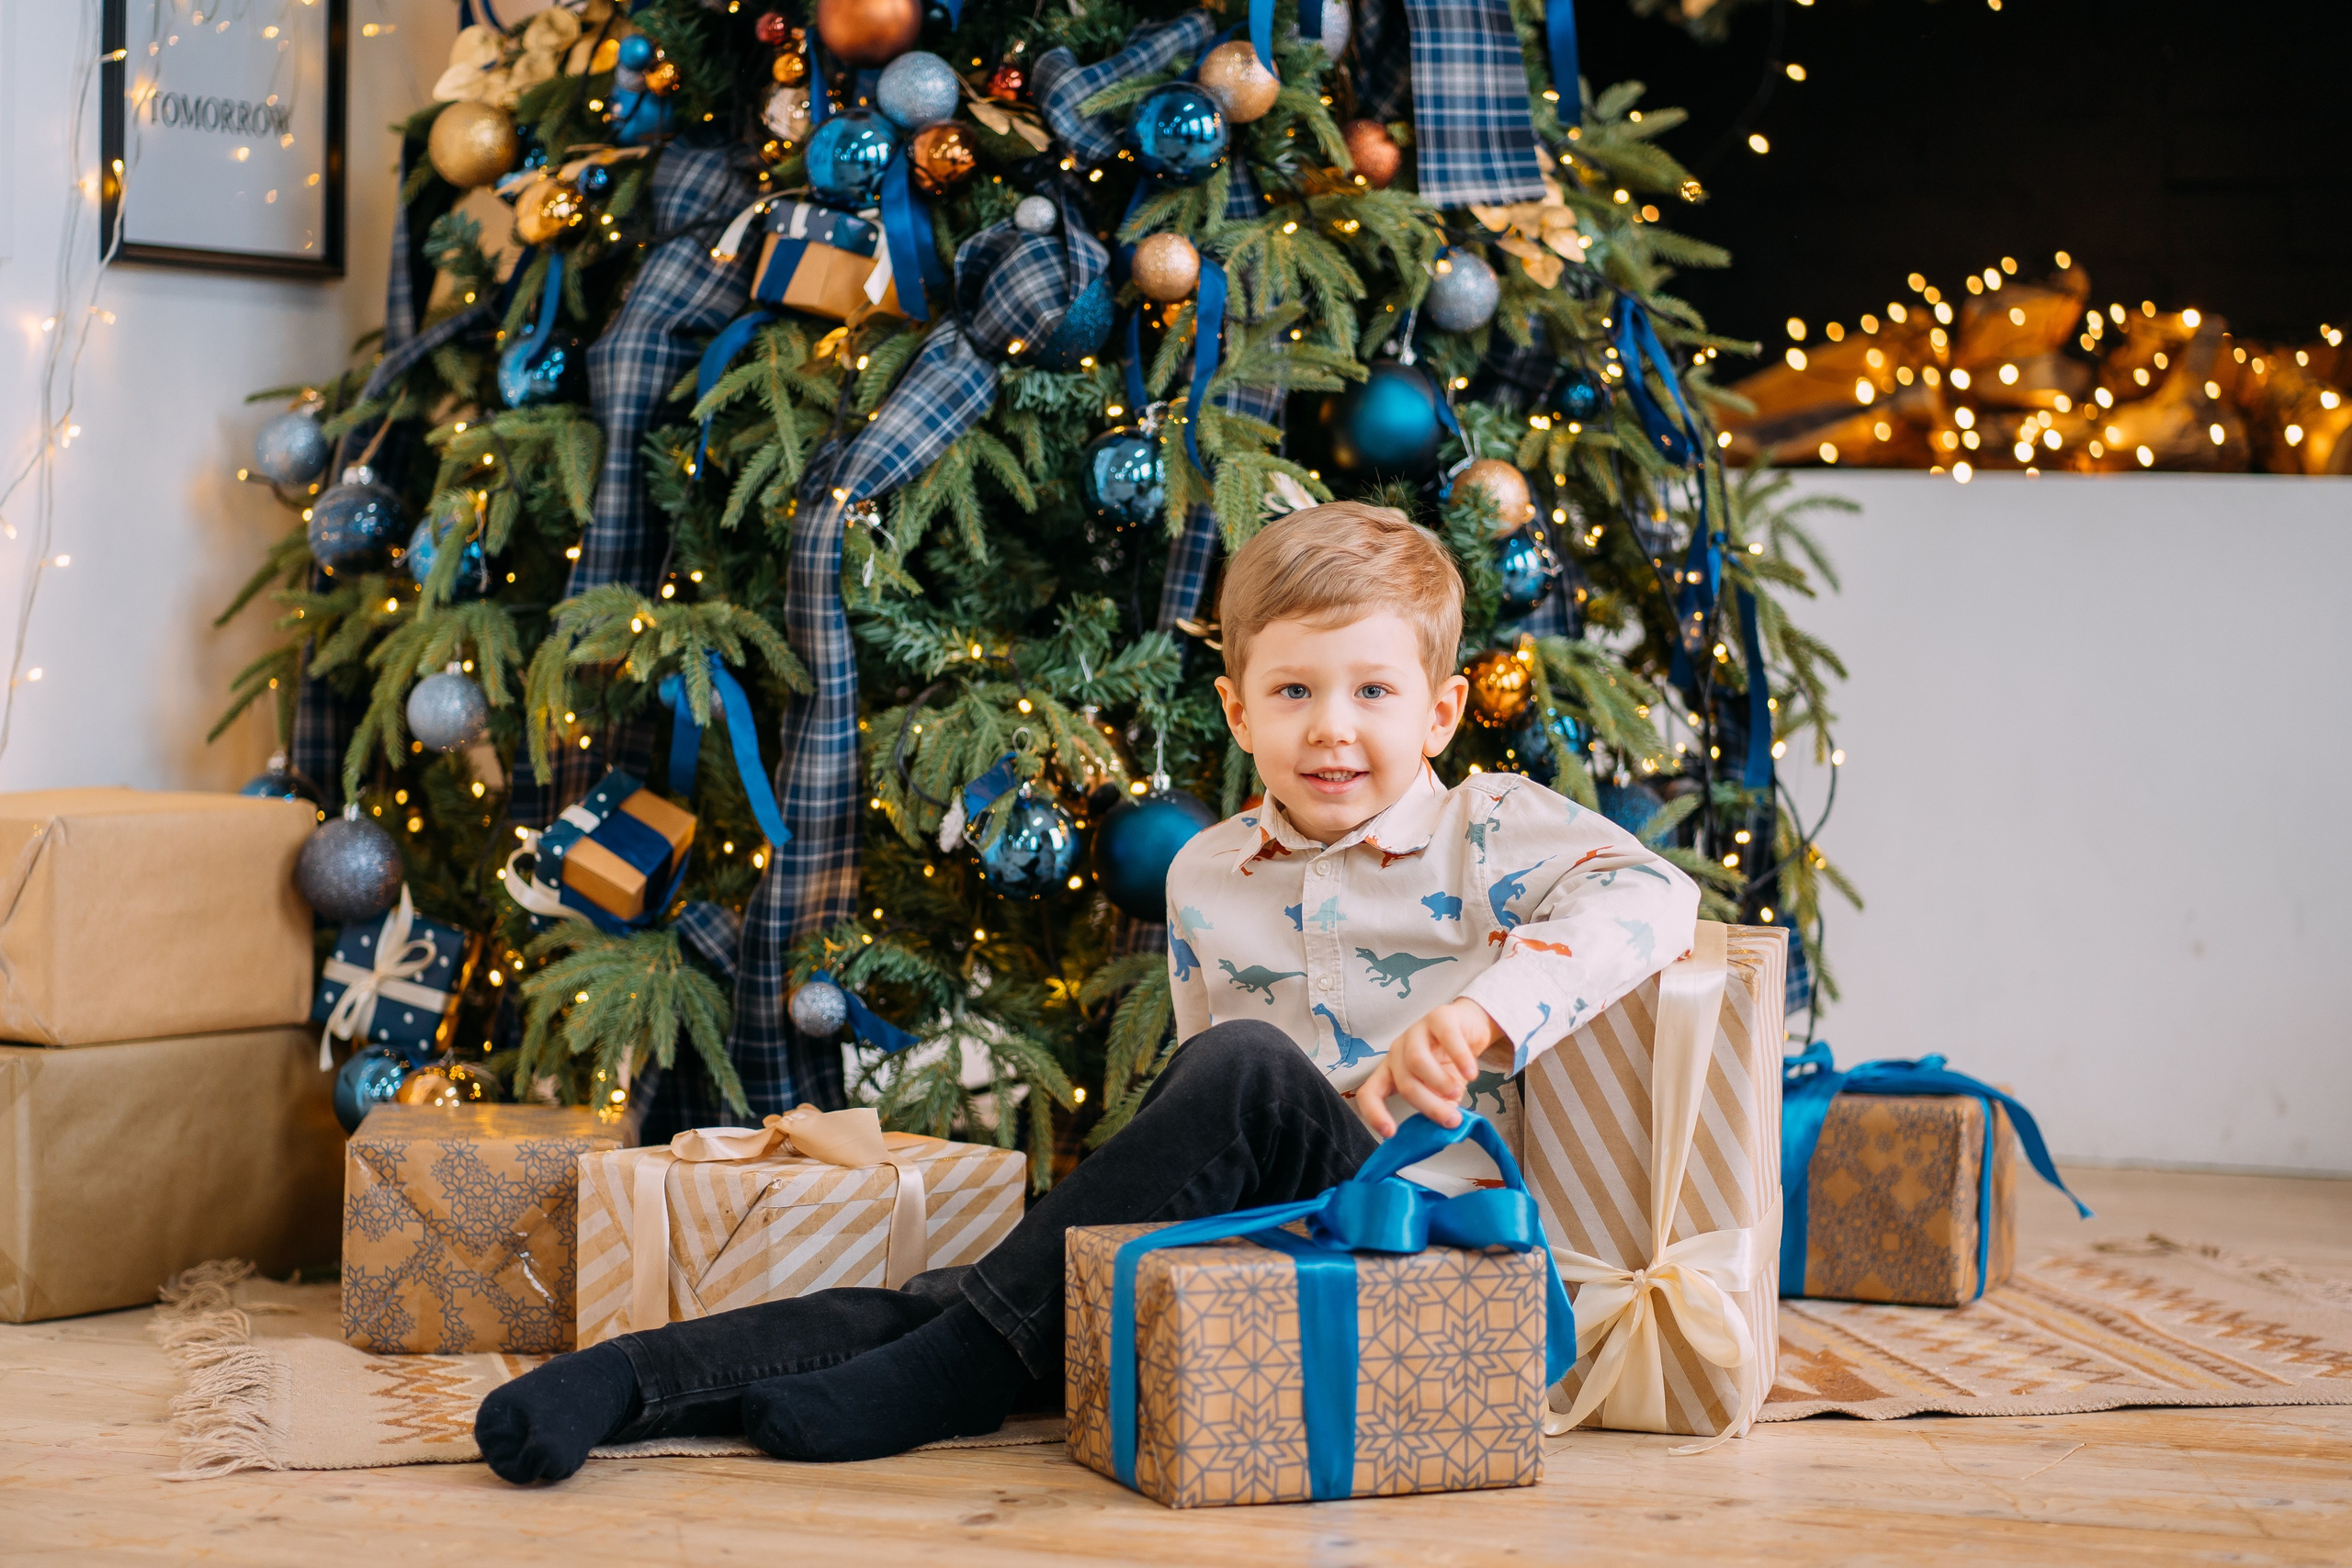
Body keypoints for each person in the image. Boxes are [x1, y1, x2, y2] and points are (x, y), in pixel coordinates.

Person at [475, 502, 1698, 1483]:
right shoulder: (1210, 873)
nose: (1334, 728)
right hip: (1247, 1229)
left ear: (1437, 713)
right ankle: (627, 1382)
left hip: (1403, 1226)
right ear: (1236, 708)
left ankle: (963, 1366)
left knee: (1237, 1084)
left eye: (1373, 692)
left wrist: (1477, 1014)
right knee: (979, 1292)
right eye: (1294, 692)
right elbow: (1206, 1096)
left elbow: (1654, 897)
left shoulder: (1484, 829)